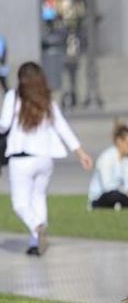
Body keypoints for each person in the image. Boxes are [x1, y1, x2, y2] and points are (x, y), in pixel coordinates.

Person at [0, 62, 93, 256]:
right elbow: (63, 128)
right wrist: (81, 153)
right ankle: (36, 243)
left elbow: (3, 125)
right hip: (45, 159)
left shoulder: (13, 96)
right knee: (38, 197)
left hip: (21, 159)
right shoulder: (47, 100)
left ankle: (37, 227)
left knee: (20, 204)